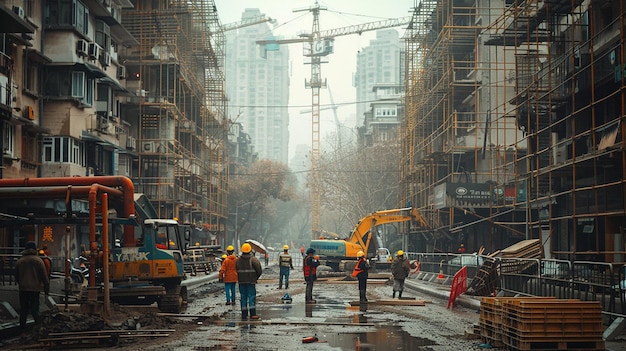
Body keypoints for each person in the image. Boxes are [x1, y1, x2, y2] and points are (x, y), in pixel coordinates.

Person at [15, 241, 50, 329]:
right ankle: (38, 329)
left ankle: (22, 330)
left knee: (24, 310)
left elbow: (16, 276)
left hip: (23, 289)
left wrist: (21, 283)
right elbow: (44, 277)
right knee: (35, 310)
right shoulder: (38, 261)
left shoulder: (20, 261)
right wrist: (46, 289)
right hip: (35, 289)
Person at [236, 242, 262, 320]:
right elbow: (259, 270)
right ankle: (252, 314)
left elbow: (236, 269)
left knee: (243, 298)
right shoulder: (253, 259)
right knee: (251, 297)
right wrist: (255, 278)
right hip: (251, 282)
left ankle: (244, 314)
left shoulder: (238, 260)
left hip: (241, 282)